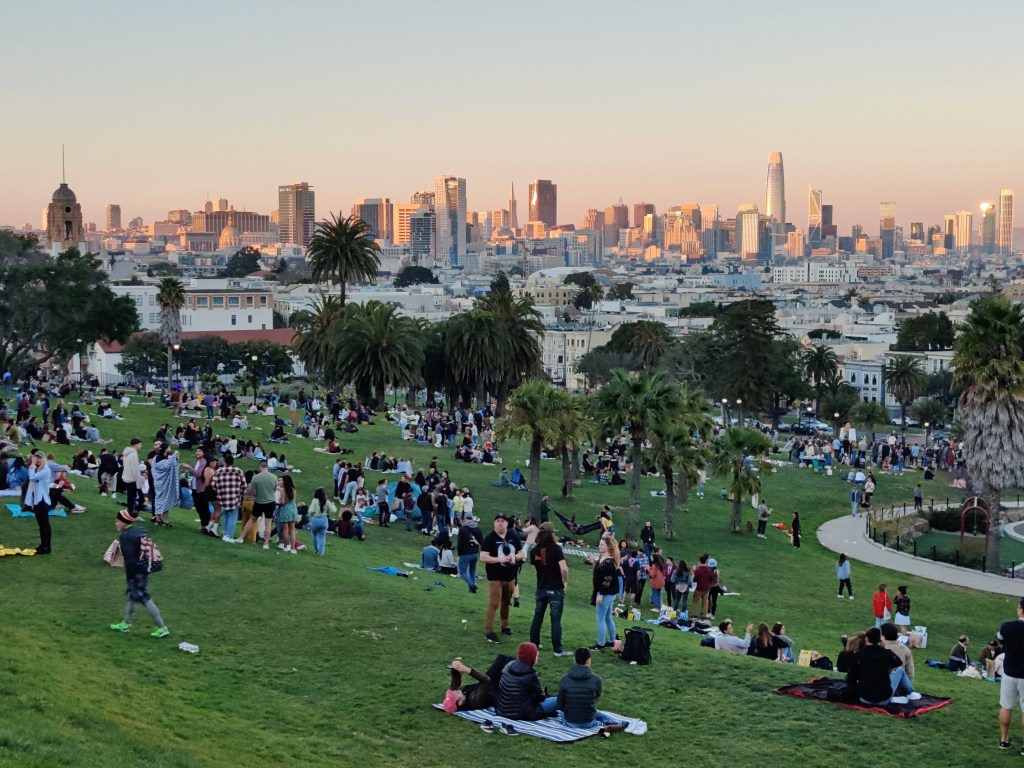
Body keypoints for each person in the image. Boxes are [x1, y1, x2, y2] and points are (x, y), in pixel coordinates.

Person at [109, 510, 170, 638]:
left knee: (145, 598)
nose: (115, 523)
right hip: (143, 568)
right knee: (132, 596)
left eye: (117, 521)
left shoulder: (126, 537)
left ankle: (162, 627)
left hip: (136, 572)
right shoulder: (138, 531)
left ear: (124, 522)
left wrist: (130, 577)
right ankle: (126, 623)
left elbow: (130, 560)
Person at [557, 647, 644, 737]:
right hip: (589, 721)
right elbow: (596, 696)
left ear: (575, 660)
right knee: (593, 711)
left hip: (570, 722)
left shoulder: (565, 679)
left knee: (581, 710)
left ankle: (607, 724)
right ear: (588, 661)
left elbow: (560, 704)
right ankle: (609, 723)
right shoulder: (596, 679)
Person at [846, 626, 919, 706]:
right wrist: (885, 649)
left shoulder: (859, 654)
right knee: (899, 670)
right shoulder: (886, 653)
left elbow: (851, 678)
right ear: (880, 639)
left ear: (866, 639)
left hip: (864, 698)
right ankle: (910, 693)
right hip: (884, 698)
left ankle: (899, 696)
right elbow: (898, 663)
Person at [480, 512, 524, 644]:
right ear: (494, 523)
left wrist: (515, 557)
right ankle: (489, 631)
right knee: (494, 602)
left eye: (502, 521)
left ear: (507, 523)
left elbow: (521, 553)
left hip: (510, 576)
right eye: (497, 520)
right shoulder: (490, 538)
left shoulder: (513, 536)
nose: (500, 523)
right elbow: (483, 556)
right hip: (495, 576)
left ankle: (505, 626)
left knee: (506, 602)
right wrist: (498, 559)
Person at [528, 522, 570, 657]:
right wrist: (564, 582)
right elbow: (564, 569)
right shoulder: (556, 549)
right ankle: (558, 650)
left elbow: (535, 570)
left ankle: (534, 644)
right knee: (555, 620)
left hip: (541, 588)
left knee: (537, 617)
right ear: (551, 534)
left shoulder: (534, 551)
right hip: (556, 589)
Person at [494, 642, 558, 723]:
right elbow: (540, 698)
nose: (537, 657)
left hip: (501, 710)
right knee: (559, 699)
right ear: (531, 657)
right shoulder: (531, 675)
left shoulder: (508, 665)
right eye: (536, 655)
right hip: (522, 713)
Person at [442, 655, 514, 714]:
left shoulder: (458, 692)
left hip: (488, 681)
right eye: (454, 695)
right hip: (498, 687)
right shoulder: (475, 701)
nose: (454, 691)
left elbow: (455, 679)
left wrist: (455, 667)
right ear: (460, 702)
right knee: (511, 661)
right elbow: (486, 682)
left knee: (501, 657)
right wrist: (468, 670)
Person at [998, 599, 1024, 750]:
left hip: (1009, 672)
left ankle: (1003, 739)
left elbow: (1001, 639)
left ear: (1021, 609)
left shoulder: (1007, 626)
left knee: (1006, 706)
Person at [589, 533, 621, 650]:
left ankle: (600, 643)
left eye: (602, 545)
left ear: (608, 547)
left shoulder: (608, 563)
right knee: (608, 617)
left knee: (600, 618)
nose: (599, 546)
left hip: (606, 593)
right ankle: (612, 641)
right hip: (609, 593)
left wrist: (601, 594)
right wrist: (593, 562)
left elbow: (607, 580)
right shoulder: (604, 559)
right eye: (600, 544)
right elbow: (599, 572)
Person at [239, 461, 278, 549]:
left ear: (260, 467)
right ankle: (266, 543)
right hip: (270, 502)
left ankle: (241, 538)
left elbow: (253, 490)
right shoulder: (274, 477)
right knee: (268, 523)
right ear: (267, 467)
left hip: (259, 501)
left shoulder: (255, 477)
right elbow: (275, 490)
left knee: (252, 519)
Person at [210, 452, 246, 543]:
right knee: (232, 517)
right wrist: (240, 493)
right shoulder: (238, 471)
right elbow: (244, 486)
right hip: (234, 497)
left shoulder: (218, 471)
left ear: (225, 462)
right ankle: (229, 536)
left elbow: (213, 485)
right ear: (233, 462)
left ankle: (225, 533)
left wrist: (219, 490)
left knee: (225, 515)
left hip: (222, 497)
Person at [25, 450, 53, 554]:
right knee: (41, 524)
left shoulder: (45, 470)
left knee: (45, 524)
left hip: (42, 500)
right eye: (36, 458)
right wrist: (33, 465)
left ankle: (47, 547)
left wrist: (32, 465)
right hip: (37, 500)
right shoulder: (38, 468)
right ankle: (43, 545)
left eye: (39, 458)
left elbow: (32, 477)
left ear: (44, 458)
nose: (37, 460)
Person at [457, 512, 483, 593]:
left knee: (462, 572)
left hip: (465, 553)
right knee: (472, 570)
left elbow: (460, 543)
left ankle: (471, 585)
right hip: (475, 554)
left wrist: (459, 553)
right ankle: (472, 589)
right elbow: (482, 541)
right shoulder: (478, 529)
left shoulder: (463, 529)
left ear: (465, 518)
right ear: (472, 518)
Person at [307, 487, 336, 556]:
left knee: (314, 535)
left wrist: (311, 513)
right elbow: (334, 510)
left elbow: (311, 511)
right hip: (324, 520)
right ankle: (321, 553)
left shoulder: (314, 500)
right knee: (322, 537)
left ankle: (316, 550)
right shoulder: (327, 502)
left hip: (315, 520)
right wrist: (333, 505)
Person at [276, 474, 299, 553]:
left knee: (285, 529)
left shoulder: (283, 490)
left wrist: (278, 501)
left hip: (285, 509)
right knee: (292, 530)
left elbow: (282, 502)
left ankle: (286, 547)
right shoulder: (293, 489)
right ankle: (293, 548)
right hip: (293, 509)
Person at [120, 438, 143, 516]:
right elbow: (135, 469)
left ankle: (130, 513)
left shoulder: (126, 453)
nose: (141, 446)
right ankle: (133, 514)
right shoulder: (133, 455)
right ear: (136, 444)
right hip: (132, 479)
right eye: (140, 444)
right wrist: (138, 481)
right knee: (139, 498)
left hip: (127, 478)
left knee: (131, 498)